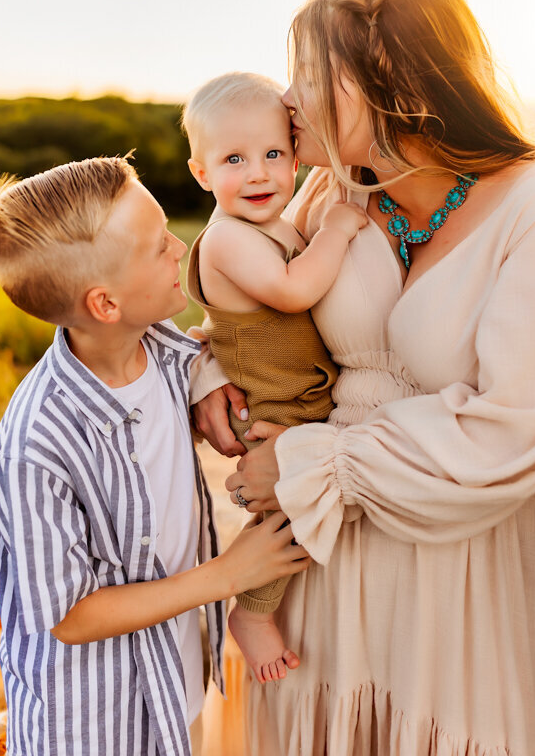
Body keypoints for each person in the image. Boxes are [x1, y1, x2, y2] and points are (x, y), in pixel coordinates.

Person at [192, 0, 535, 755]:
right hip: (325, 559)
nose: (288, 97)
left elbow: (511, 427)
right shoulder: (328, 194)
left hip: (473, 564)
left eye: (308, 72)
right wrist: (209, 369)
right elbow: (241, 293)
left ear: (387, 82)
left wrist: (308, 465)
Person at [0, 156, 310, 756]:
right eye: (159, 246)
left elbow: (202, 349)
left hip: (174, 684)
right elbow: (70, 616)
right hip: (93, 725)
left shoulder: (161, 349)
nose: (180, 246)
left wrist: (208, 374)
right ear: (106, 304)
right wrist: (229, 576)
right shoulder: (37, 442)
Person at [181, 72, 366, 684]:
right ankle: (252, 613)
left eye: (273, 154)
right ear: (201, 173)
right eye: (234, 159)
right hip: (272, 399)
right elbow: (291, 292)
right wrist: (337, 230)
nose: (258, 173)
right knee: (291, 503)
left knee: (301, 495)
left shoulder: (270, 224)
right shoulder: (228, 239)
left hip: (295, 390)